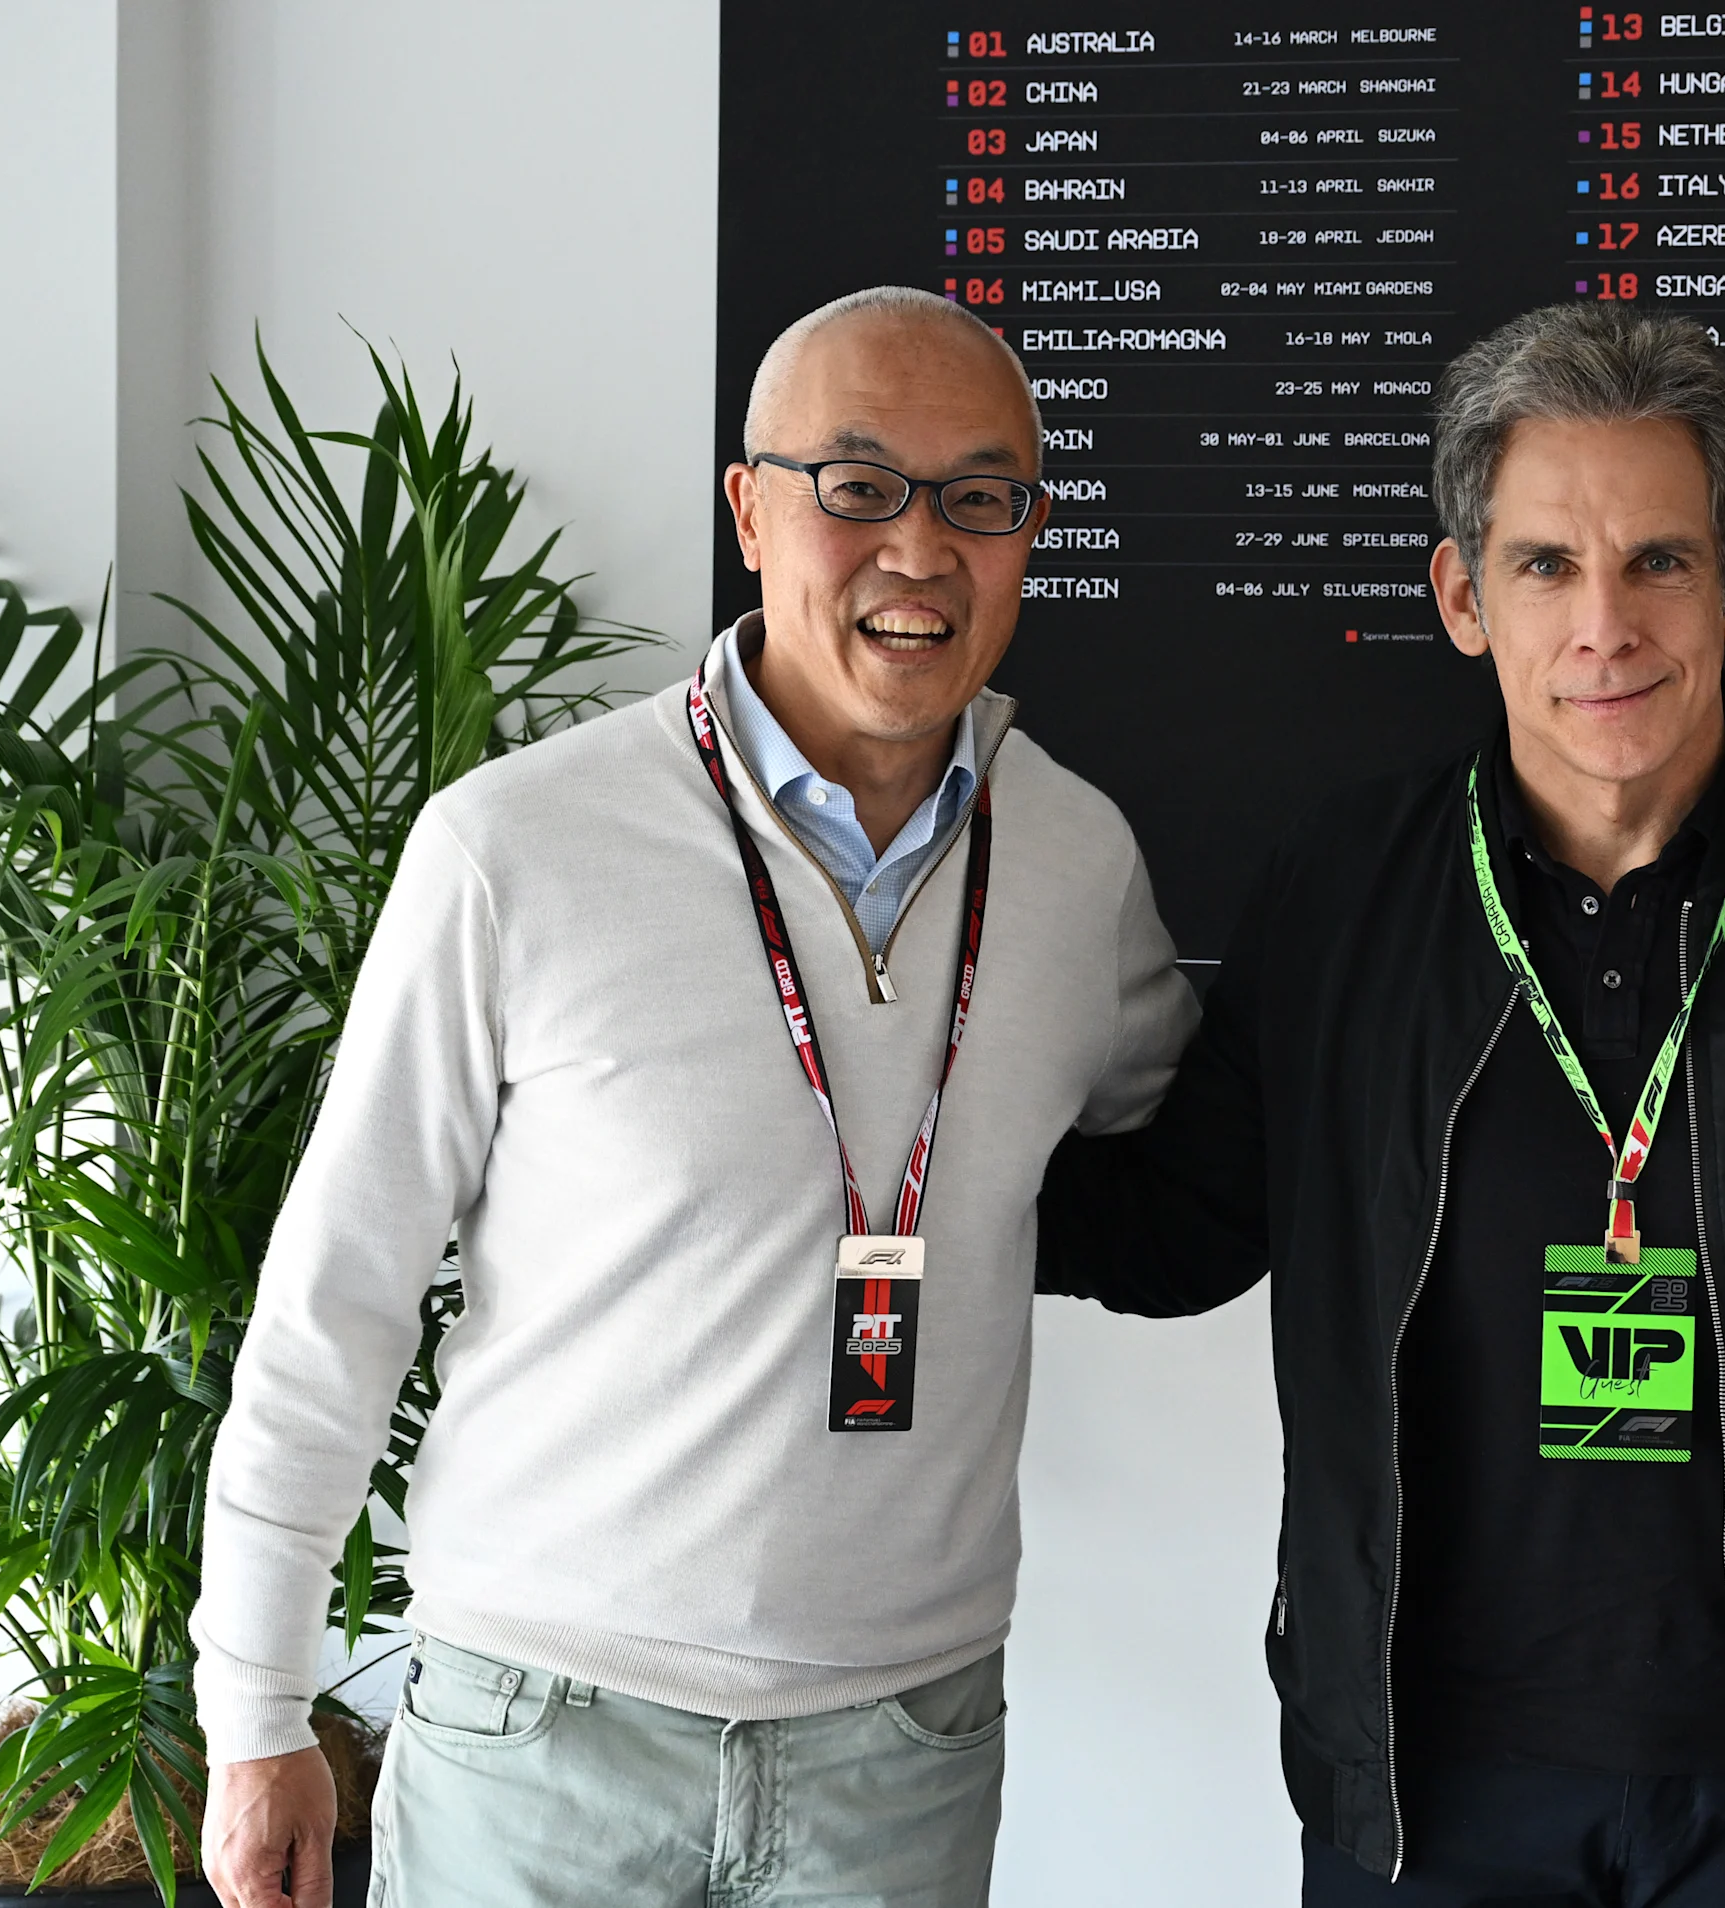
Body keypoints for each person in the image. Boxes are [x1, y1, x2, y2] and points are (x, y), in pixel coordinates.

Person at [193, 286, 1196, 1908]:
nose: (920, 551)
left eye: (978, 497)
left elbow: (1182, 1127)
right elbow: (339, 1294)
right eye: (856, 487)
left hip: (904, 1751)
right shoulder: (515, 846)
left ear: (1030, 531)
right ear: (749, 509)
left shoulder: (1077, 862)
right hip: (539, 1735)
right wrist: (253, 1707)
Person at [1038, 302, 1725, 1907]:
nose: (1604, 624)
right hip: (1419, 1784)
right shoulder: (1342, 885)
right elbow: (1181, 1229)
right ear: (1464, 595)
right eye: (1544, 565)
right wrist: (858, 1172)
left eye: (1660, 560)